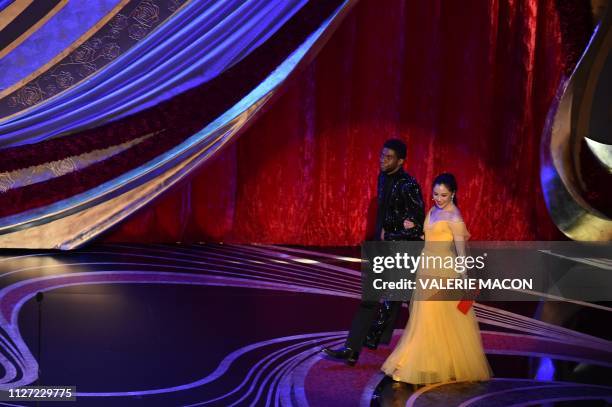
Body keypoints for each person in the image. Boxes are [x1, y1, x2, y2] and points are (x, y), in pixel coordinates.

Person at [381, 173, 491, 384]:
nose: (438, 199)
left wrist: (466, 280)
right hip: (426, 267)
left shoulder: (454, 217)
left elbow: (461, 252)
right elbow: (429, 238)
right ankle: (424, 360)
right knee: (423, 318)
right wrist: (413, 229)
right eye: (435, 194)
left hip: (443, 272)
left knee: (436, 318)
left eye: (443, 195)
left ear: (453, 194)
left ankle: (428, 363)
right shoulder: (432, 210)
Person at [322, 139, 424, 365]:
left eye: (388, 158)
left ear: (401, 161)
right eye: (381, 155)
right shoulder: (382, 177)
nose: (382, 160)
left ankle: (426, 355)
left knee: (414, 307)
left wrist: (393, 235)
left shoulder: (410, 185)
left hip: (404, 252)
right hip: (382, 250)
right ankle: (351, 350)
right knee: (369, 300)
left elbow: (418, 224)